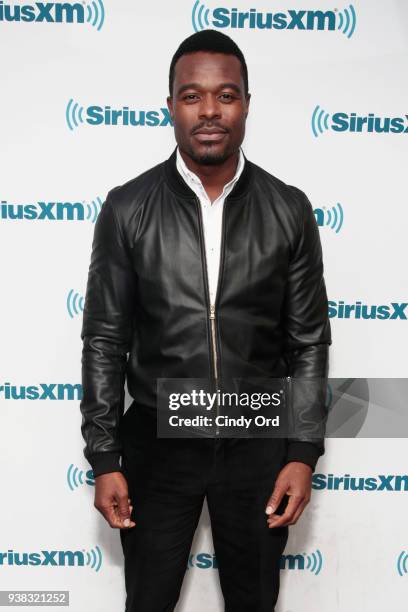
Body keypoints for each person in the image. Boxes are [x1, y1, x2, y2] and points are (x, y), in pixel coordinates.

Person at [79, 29, 332, 612]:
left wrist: (302, 451)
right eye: (192, 96)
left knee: (254, 602)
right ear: (170, 105)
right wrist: (105, 456)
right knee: (148, 601)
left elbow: (309, 342)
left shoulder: (288, 208)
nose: (210, 111)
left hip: (257, 445)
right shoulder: (128, 207)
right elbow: (104, 340)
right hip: (157, 447)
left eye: (227, 95)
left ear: (247, 103)